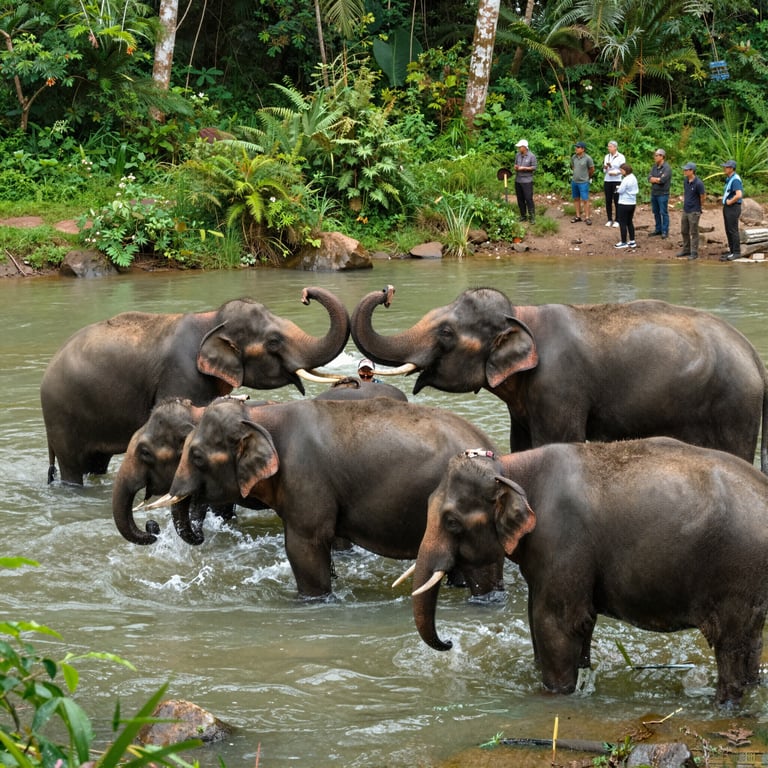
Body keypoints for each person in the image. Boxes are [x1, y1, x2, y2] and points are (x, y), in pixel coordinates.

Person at [677, 162, 706, 261]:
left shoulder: (698, 183)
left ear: (692, 171)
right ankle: (686, 249)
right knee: (684, 230)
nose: (684, 171)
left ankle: (694, 252)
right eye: (684, 170)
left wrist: (699, 206)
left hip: (694, 210)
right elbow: (686, 193)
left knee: (694, 231)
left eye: (686, 170)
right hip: (686, 209)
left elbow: (703, 196)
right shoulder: (686, 180)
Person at [719, 159, 743, 262]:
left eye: (726, 167)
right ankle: (732, 251)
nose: (724, 168)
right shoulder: (729, 178)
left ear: (732, 168)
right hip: (728, 207)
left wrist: (730, 201)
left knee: (733, 230)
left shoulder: (735, 179)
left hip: (733, 207)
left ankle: (736, 252)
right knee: (728, 229)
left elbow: (739, 194)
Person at [613, 163, 638, 250]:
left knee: (622, 223)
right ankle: (632, 241)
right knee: (629, 222)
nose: (620, 172)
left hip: (624, 203)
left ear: (625, 170)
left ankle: (623, 242)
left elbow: (621, 190)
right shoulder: (633, 177)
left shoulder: (626, 179)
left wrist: (617, 189)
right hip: (632, 203)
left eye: (621, 170)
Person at [648, 148, 671, 238]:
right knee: (656, 212)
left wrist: (655, 179)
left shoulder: (667, 168)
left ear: (662, 156)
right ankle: (658, 229)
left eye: (656, 155)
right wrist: (656, 179)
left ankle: (665, 231)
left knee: (663, 212)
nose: (655, 157)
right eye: (655, 155)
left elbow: (662, 180)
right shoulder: (654, 167)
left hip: (663, 194)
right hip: (654, 193)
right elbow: (649, 178)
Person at [570, 141, 595, 225]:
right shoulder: (574, 157)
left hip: (583, 182)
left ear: (583, 149)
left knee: (585, 199)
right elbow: (573, 167)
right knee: (576, 198)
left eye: (578, 147)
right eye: (576, 147)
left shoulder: (588, 158)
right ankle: (578, 216)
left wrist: (587, 177)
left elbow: (592, 169)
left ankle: (587, 217)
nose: (576, 149)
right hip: (574, 181)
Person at [602, 141, 625, 228]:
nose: (609, 148)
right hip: (607, 180)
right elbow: (604, 170)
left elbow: (623, 169)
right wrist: (605, 167)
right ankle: (609, 219)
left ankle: (617, 220)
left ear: (615, 147)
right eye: (608, 146)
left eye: (610, 146)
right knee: (608, 200)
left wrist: (616, 172)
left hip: (617, 180)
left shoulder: (621, 157)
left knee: (617, 199)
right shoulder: (606, 156)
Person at [513, 139, 537, 223]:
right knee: (520, 199)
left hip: (527, 181)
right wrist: (516, 167)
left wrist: (524, 168)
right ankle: (523, 215)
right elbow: (515, 164)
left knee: (528, 199)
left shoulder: (531, 156)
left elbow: (534, 167)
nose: (519, 148)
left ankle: (532, 217)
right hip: (518, 180)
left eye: (520, 147)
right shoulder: (517, 155)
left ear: (524, 147)